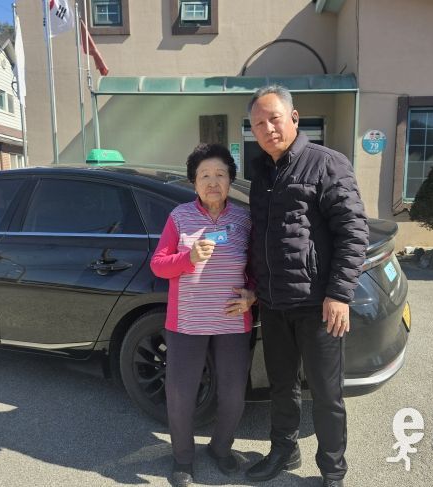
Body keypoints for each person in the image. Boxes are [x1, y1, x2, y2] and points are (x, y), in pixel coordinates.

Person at [244, 86, 369, 487]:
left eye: (274, 118)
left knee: (326, 394)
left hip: (318, 306)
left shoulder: (326, 163)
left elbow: (353, 232)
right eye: (258, 123)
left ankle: (333, 471)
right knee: (282, 387)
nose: (267, 128)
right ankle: (284, 450)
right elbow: (261, 237)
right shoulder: (261, 172)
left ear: (294, 118)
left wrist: (339, 294)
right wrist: (256, 288)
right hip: (274, 304)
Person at [150, 143, 256, 487]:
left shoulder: (243, 219)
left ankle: (220, 449)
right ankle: (183, 459)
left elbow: (257, 268)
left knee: (233, 394)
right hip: (186, 322)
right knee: (181, 394)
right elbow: (158, 265)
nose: (213, 182)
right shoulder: (179, 217)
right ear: (194, 182)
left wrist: (253, 294)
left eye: (220, 174)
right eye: (205, 175)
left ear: (230, 180)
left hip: (232, 321)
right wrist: (188, 258)